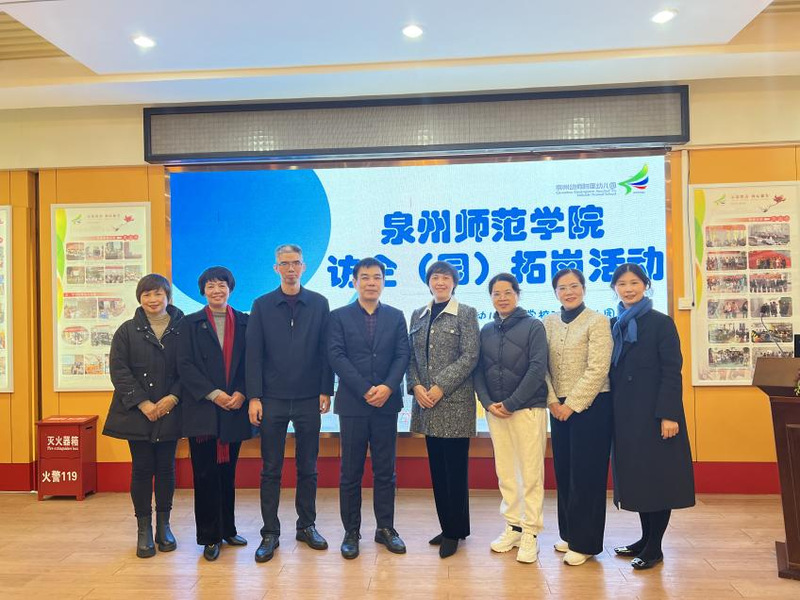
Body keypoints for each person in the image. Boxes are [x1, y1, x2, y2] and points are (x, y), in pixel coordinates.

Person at [247, 244, 334, 563]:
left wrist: (326, 390)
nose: (290, 268)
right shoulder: (262, 305)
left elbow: (326, 350)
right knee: (271, 468)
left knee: (308, 467)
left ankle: (306, 525)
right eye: (284, 264)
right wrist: (254, 396)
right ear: (276, 268)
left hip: (310, 397)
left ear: (304, 266)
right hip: (272, 399)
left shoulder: (319, 303)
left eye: (295, 263)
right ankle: (270, 532)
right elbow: (253, 354)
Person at [608, 263, 695, 570]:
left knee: (659, 480)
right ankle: (644, 539)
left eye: (634, 282)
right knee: (639, 480)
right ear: (615, 288)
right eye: (622, 284)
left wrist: (669, 415)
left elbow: (672, 371)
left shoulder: (661, 323)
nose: (628, 288)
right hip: (626, 415)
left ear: (645, 285)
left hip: (656, 415)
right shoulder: (614, 324)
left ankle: (655, 547)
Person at [327, 257, 410, 559]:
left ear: (384, 282)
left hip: (386, 405)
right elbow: (336, 356)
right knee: (351, 471)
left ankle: (385, 528)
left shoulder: (396, 316)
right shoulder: (338, 316)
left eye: (377, 277)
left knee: (385, 471)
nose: (371, 282)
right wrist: (364, 389)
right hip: (353, 405)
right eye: (365, 277)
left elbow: (402, 355)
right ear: (354, 282)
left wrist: (387, 387)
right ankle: (351, 531)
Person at [102, 274, 184, 558]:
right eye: (147, 294)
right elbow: (119, 371)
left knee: (166, 468)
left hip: (171, 409)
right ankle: (143, 529)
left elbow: (190, 367)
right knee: (141, 468)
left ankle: (164, 526)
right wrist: (143, 403)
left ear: (168, 297)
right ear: (140, 298)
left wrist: (173, 397)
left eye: (158, 293)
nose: (153, 299)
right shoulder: (126, 331)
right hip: (137, 412)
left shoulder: (183, 328)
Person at [473, 273, 548, 564]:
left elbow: (537, 368)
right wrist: (487, 403)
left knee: (530, 473)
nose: (502, 298)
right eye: (496, 293)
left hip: (527, 409)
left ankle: (531, 532)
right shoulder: (486, 330)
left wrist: (512, 403)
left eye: (507, 292)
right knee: (505, 471)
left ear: (518, 294)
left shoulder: (534, 326)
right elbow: (478, 370)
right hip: (496, 412)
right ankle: (513, 526)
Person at [177, 266, 251, 561]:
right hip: (204, 411)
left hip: (234, 408)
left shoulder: (245, 322)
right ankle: (209, 536)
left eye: (222, 285)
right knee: (205, 474)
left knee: (228, 473)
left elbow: (251, 362)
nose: (217, 290)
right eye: (210, 286)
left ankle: (228, 529)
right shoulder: (190, 323)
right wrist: (213, 393)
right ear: (203, 291)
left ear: (230, 289)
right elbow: (184, 365)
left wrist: (242, 392)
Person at [407, 260, 479, 559]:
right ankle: (451, 526)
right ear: (429, 282)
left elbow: (470, 355)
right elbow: (411, 357)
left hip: (454, 403)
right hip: (427, 404)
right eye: (435, 278)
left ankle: (453, 531)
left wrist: (440, 386)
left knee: (455, 471)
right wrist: (416, 386)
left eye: (446, 278)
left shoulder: (466, 313)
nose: (440, 282)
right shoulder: (418, 314)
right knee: (438, 470)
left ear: (454, 283)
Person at [543, 268, 613, 566]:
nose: (568, 292)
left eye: (574, 286)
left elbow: (598, 368)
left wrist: (571, 404)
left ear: (583, 288)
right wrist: (551, 401)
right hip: (557, 407)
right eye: (562, 287)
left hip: (592, 407)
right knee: (565, 471)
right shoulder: (548, 322)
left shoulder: (598, 321)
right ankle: (570, 533)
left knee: (587, 475)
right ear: (555, 292)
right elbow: (541, 366)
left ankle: (586, 544)